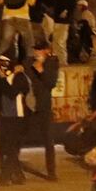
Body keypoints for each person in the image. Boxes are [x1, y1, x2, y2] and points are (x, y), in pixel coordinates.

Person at [0, 55, 33, 186]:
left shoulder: (19, 77)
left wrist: (4, 79)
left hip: (18, 117)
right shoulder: (1, 78)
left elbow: (12, 94)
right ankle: (19, 176)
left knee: (11, 148)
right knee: (7, 148)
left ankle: (4, 178)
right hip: (5, 117)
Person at [25, 40, 60, 181]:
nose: (37, 53)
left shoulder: (52, 63)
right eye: (36, 50)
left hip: (44, 106)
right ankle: (14, 170)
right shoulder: (28, 62)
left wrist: (41, 70)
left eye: (40, 50)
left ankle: (51, 172)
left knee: (48, 140)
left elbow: (51, 83)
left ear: (47, 50)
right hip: (28, 104)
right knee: (17, 137)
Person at [51, 0, 77, 65]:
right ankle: (57, 61)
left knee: (60, 41)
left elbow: (72, 1)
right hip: (57, 18)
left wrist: (66, 11)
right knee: (56, 41)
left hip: (64, 19)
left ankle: (63, 62)